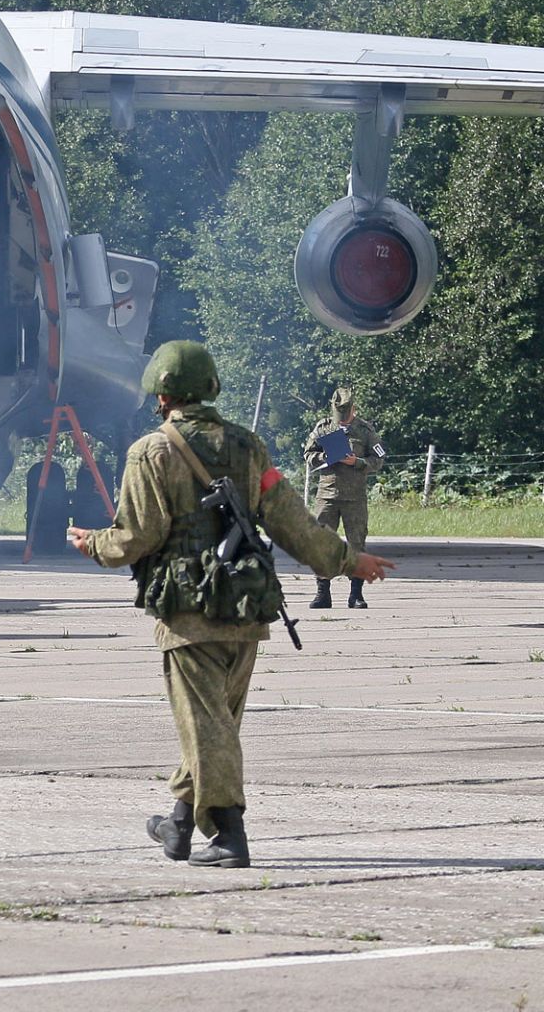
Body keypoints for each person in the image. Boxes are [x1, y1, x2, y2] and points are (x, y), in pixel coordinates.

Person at [67, 342, 394, 869]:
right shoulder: (248, 447)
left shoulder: (150, 452)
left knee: (207, 725)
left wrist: (94, 545)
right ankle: (178, 821)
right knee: (215, 722)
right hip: (245, 608)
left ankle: (227, 834)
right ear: (213, 388)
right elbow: (290, 520)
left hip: (188, 611)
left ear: (161, 395)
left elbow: (136, 537)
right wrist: (347, 560)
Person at [304, 387, 384, 609]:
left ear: (353, 410)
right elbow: (308, 455)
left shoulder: (366, 431)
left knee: (357, 545)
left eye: (346, 415)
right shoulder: (323, 428)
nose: (343, 419)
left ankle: (356, 595)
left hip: (354, 498)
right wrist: (325, 456)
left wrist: (357, 462)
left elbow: (378, 460)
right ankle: (322, 593)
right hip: (327, 495)